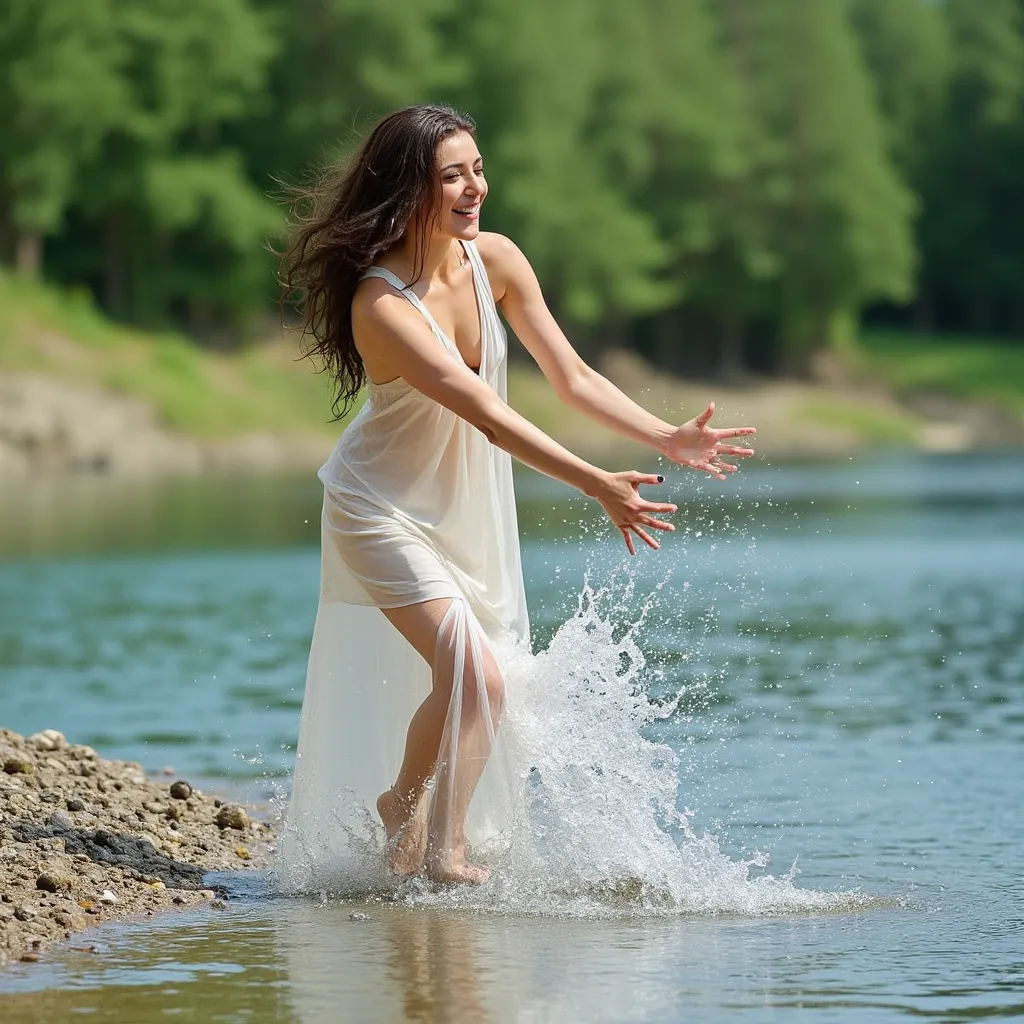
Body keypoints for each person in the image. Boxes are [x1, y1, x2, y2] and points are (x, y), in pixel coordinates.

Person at [278, 104, 755, 888]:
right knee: (480, 674)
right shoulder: (383, 306)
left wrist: (662, 435)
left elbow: (573, 378)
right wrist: (597, 483)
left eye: (478, 169)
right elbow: (493, 418)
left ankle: (403, 805)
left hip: (460, 510)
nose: (475, 189)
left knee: (471, 674)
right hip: (379, 509)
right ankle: (445, 850)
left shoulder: (493, 259)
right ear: (408, 190)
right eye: (451, 176)